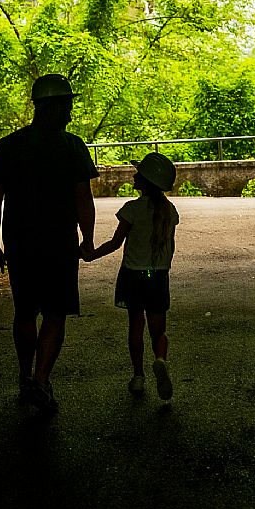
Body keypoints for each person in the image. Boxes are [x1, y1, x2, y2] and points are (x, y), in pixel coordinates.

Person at [0, 73, 98, 414]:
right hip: (59, 245)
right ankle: (41, 380)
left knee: (24, 312)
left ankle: (25, 378)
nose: (70, 113)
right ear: (53, 106)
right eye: (67, 105)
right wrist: (87, 238)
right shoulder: (72, 147)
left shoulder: (7, 147)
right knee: (55, 313)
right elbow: (83, 199)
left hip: (20, 244)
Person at [85, 152, 179, 401]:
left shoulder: (131, 209)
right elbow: (170, 246)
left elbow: (116, 243)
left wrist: (91, 255)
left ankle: (138, 376)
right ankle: (160, 360)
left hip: (133, 276)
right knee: (159, 331)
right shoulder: (170, 211)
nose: (134, 175)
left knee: (136, 327)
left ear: (145, 181)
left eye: (139, 173)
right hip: (158, 276)